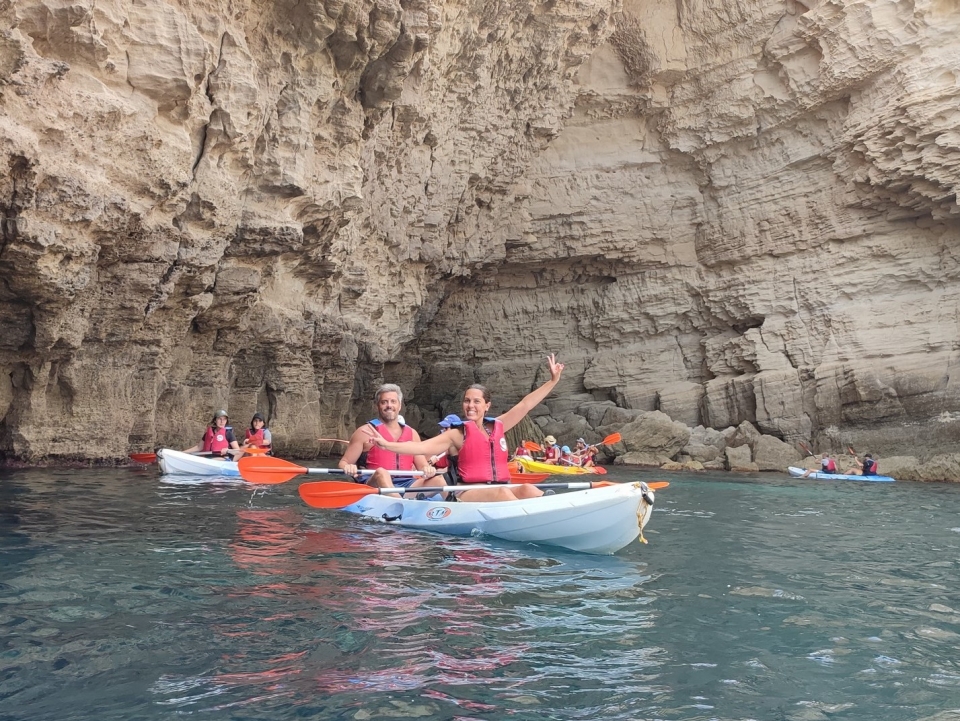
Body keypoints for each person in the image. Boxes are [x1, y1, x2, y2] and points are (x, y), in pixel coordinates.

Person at [366, 354, 566, 502]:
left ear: (487, 405)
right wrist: (387, 445)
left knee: (528, 489)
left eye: (476, 401)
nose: (470, 405)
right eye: (467, 401)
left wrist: (553, 381)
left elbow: (525, 405)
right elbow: (421, 448)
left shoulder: (498, 426)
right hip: (464, 494)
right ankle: (533, 520)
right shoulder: (457, 434)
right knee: (503, 493)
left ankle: (556, 510)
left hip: (498, 489)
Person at [338, 384, 437, 490]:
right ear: (377, 406)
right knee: (381, 473)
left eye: (393, 401)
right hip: (374, 484)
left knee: (438, 480)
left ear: (399, 406)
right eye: (384, 402)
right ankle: (398, 500)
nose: (389, 405)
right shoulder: (363, 432)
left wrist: (428, 469)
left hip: (406, 483)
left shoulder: (412, 434)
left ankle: (455, 502)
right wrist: (348, 466)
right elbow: (343, 463)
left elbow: (422, 465)